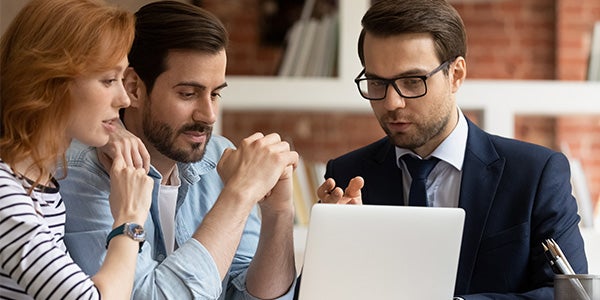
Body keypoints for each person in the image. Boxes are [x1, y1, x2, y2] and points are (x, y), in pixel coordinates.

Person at [314, 0, 588, 299]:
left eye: (411, 81)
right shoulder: (345, 175)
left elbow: (569, 294)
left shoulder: (535, 174)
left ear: (456, 74)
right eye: (377, 82)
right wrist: (337, 247)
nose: (391, 103)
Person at [58, 1, 299, 299]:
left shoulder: (218, 157)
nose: (209, 115)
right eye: (188, 94)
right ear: (133, 88)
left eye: (216, 93)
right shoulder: (81, 172)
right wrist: (238, 195)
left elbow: (245, 293)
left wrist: (278, 213)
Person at [0, 0, 153, 299]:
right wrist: (130, 217)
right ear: (50, 82)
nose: (124, 99)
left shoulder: (40, 181)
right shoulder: (5, 192)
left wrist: (112, 131)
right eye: (109, 80)